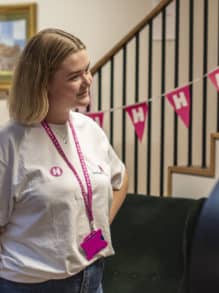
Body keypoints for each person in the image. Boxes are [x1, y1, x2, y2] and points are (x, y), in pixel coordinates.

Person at [0, 28, 128, 293]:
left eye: (87, 69)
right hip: (31, 284)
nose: (87, 80)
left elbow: (121, 178)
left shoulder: (89, 129)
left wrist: (100, 228)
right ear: (42, 82)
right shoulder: (10, 143)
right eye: (74, 76)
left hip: (91, 275)